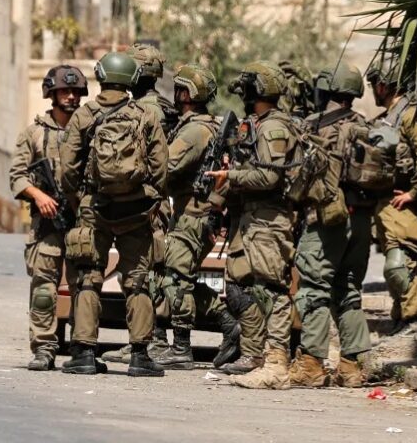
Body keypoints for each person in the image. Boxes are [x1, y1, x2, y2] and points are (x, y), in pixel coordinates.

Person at [59, 52, 168, 377]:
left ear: (101, 76)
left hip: (96, 207)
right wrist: (148, 196)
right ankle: (140, 356)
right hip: (136, 211)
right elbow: (161, 168)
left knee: (89, 277)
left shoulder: (84, 115)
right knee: (138, 281)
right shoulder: (146, 115)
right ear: (132, 79)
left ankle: (84, 354)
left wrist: (80, 199)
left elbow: (67, 169)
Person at [206, 61, 298, 389]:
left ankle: (276, 364)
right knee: (240, 286)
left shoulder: (273, 127)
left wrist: (230, 176)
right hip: (251, 220)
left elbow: (270, 177)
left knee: (272, 290)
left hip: (270, 221)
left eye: (246, 88)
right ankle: (255, 355)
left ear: (256, 90)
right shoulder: (257, 124)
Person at [290, 63, 373, 388]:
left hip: (327, 220)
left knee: (314, 287)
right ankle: (351, 368)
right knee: (349, 290)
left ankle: (311, 364)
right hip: (361, 220)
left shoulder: (315, 126)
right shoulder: (367, 127)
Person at [152, 63, 240, 370]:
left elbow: (166, 166)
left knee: (176, 279)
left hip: (192, 216)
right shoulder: (207, 126)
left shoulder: (194, 131)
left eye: (179, 89)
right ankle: (228, 325)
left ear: (186, 93)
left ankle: (181, 347)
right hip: (195, 215)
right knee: (180, 278)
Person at [9, 65, 95, 371]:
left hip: (81, 223)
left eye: (75, 92)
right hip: (47, 224)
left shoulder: (91, 130)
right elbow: (17, 176)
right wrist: (39, 196)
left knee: (83, 287)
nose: (71, 97)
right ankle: (44, 347)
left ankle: (82, 348)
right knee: (44, 288)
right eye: (64, 91)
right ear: (52, 93)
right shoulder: (34, 133)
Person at [367, 58, 417, 338]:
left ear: (383, 85)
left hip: (403, 204)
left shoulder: (409, 115)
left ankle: (413, 322)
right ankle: (402, 316)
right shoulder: (388, 118)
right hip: (387, 204)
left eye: (374, 84)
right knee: (397, 263)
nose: (373, 89)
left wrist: (414, 192)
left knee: (399, 265)